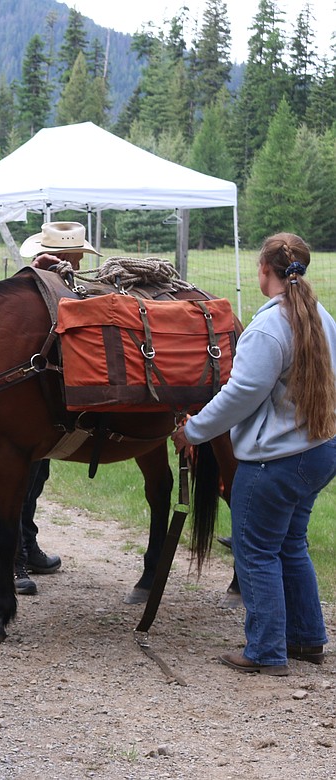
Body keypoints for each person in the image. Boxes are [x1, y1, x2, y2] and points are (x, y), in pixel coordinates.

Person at [173, 232, 336, 676]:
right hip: (318, 450)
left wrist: (196, 431)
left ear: (264, 270)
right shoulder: (320, 316)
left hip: (276, 462)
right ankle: (306, 639)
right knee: (290, 544)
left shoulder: (267, 327)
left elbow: (242, 392)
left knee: (256, 550)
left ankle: (265, 650)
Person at [12, 221, 101, 595]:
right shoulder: (30, 286)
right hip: (27, 399)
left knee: (36, 477)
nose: (80, 262)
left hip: (50, 399)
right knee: (20, 479)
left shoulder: (70, 286)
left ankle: (27, 545)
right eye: (76, 256)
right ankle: (14, 558)